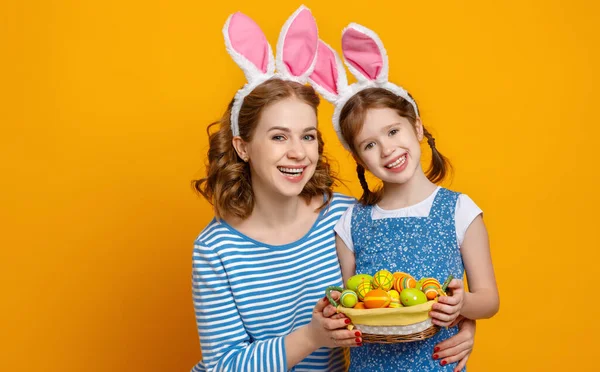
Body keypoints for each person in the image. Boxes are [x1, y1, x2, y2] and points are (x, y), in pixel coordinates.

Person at [191, 7, 477, 372]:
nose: (298, 152)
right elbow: (221, 367)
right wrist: (311, 337)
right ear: (243, 147)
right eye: (279, 136)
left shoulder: (345, 216)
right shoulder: (216, 249)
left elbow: (406, 290)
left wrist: (464, 322)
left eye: (308, 136)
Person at [309, 24, 499, 371]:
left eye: (393, 131)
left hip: (436, 364)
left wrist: (462, 307)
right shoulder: (351, 222)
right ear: (359, 159)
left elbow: (488, 301)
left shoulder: (458, 210)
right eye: (370, 144)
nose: (387, 150)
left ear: (416, 127)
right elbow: (353, 299)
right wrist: (337, 305)